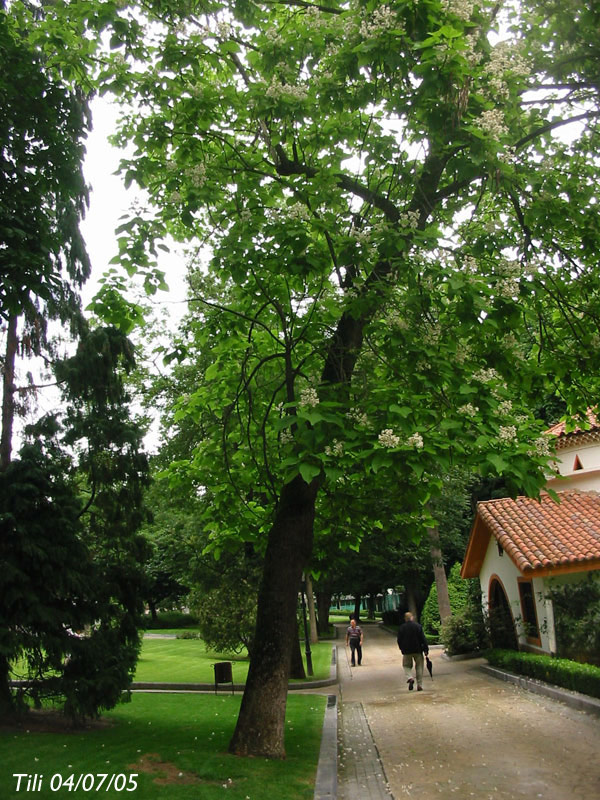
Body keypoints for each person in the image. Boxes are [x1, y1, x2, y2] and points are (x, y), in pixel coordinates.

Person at [396, 611, 429, 691]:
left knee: (406, 666)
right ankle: (419, 685)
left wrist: (401, 648)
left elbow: (399, 640)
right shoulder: (418, 626)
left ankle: (410, 677)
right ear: (412, 618)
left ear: (405, 619)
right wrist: (425, 649)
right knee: (419, 667)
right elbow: (423, 639)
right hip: (418, 650)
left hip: (407, 651)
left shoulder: (402, 628)